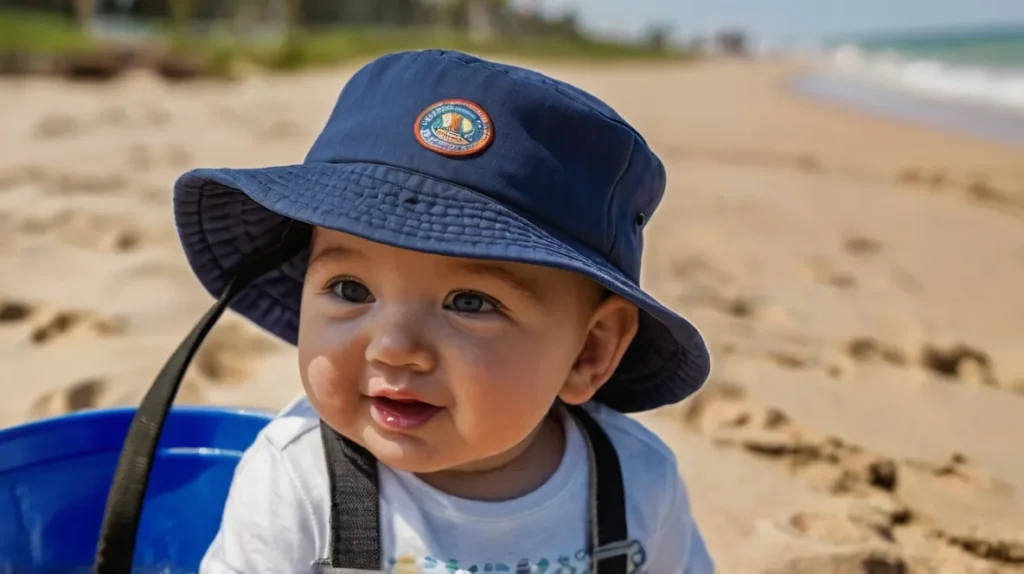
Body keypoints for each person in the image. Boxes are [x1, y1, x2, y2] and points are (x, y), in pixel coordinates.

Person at [173, 49, 714, 574]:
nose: (393, 348)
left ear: (588, 351)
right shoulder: (297, 477)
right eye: (351, 289)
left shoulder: (635, 481)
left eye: (470, 303)